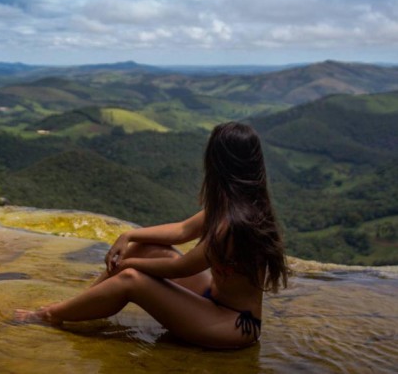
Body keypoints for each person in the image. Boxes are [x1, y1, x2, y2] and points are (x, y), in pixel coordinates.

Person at [15, 122, 289, 349]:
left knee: (131, 279)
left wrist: (128, 265)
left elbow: (181, 266)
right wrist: (130, 236)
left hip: (234, 324)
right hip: (213, 298)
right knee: (143, 248)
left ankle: (52, 315)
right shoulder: (236, 207)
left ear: (219, 164)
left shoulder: (233, 224)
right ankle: (78, 306)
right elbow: (182, 231)